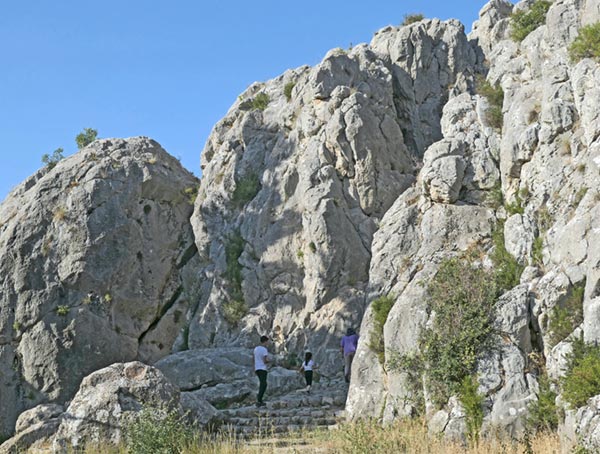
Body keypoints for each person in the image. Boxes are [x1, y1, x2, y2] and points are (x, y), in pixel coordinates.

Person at [253, 335, 270, 407]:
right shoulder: (264, 349)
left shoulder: (256, 349)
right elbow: (265, 360)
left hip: (257, 368)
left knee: (262, 383)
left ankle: (259, 399)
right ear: (265, 341)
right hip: (263, 368)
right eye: (267, 342)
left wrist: (254, 367)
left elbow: (253, 358)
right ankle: (259, 400)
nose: (267, 343)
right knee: (264, 384)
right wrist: (269, 361)